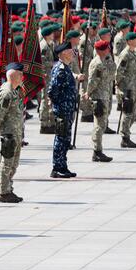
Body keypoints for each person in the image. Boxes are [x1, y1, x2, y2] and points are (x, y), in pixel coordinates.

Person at [0, 64, 26, 203]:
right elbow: (0, 111)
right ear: (14, 75)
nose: (22, 77)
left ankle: (8, 188)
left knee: (13, 162)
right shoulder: (6, 92)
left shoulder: (14, 90)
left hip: (15, 132)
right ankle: (4, 192)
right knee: (6, 162)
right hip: (9, 133)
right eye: (20, 74)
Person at [48, 43, 78, 178]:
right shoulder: (60, 69)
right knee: (61, 138)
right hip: (62, 110)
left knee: (66, 139)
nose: (72, 52)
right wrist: (58, 105)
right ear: (63, 53)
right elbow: (52, 91)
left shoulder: (65, 68)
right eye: (69, 50)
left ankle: (63, 165)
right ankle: (57, 167)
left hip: (67, 109)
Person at [86, 40, 114, 162]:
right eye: (106, 48)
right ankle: (97, 151)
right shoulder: (97, 64)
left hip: (105, 95)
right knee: (99, 125)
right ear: (100, 51)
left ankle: (98, 150)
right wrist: (88, 93)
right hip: (98, 97)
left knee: (102, 123)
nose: (109, 50)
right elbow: (93, 81)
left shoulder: (105, 60)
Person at [116, 32, 136, 148]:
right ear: (130, 41)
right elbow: (119, 72)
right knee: (127, 113)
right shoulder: (125, 54)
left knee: (132, 113)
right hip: (127, 88)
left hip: (133, 87)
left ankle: (126, 134)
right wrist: (120, 88)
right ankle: (125, 138)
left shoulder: (133, 53)